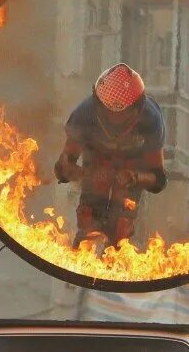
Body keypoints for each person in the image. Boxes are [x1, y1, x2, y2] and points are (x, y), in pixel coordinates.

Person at [53, 63, 168, 247]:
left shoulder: (151, 120)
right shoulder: (83, 115)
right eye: (108, 114)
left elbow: (158, 179)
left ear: (138, 108)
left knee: (122, 226)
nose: (115, 121)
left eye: (123, 114)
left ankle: (115, 262)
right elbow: (63, 167)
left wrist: (135, 178)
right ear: (97, 105)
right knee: (88, 218)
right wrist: (84, 174)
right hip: (97, 160)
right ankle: (83, 256)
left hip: (133, 165)